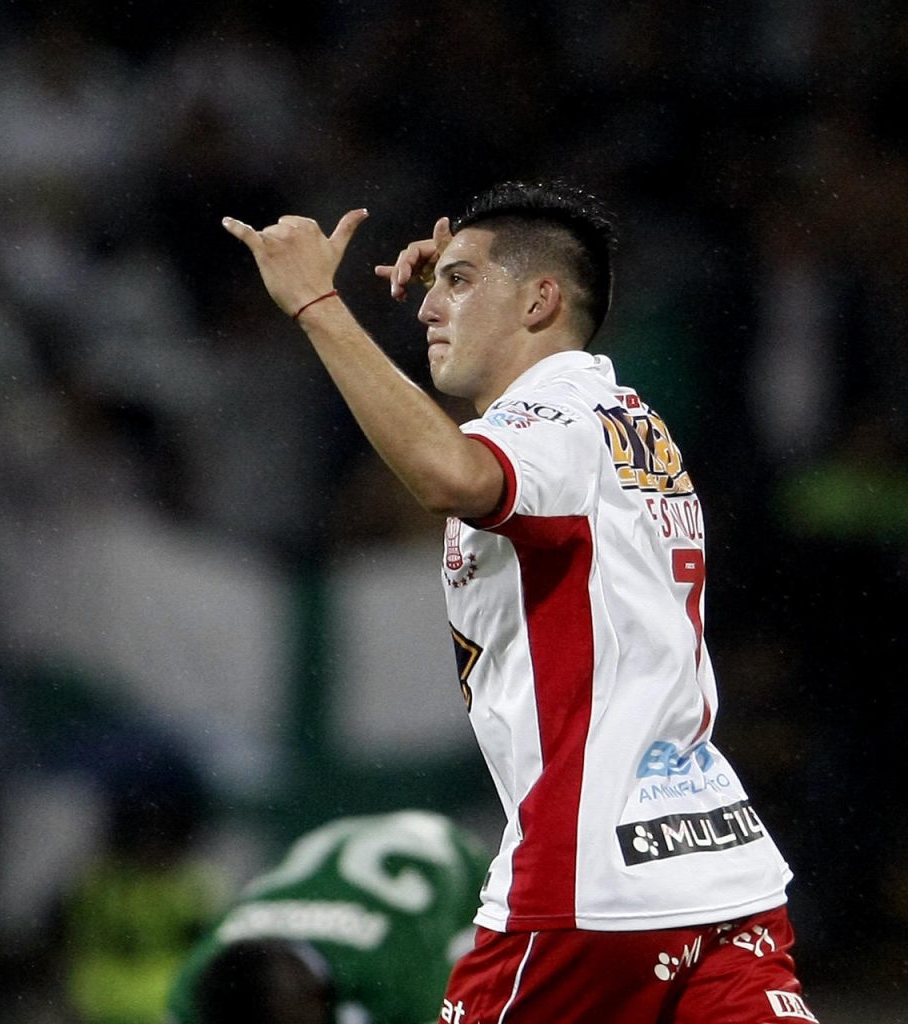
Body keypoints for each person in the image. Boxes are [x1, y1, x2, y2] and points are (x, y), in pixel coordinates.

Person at [221, 183, 813, 1022]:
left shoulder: (552, 419)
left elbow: (447, 476)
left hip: (587, 885)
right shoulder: (623, 415)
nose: (431, 307)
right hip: (714, 870)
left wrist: (319, 306)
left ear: (541, 300)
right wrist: (463, 288)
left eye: (458, 283)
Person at [167, 811, 489, 1024]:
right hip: (337, 856)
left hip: (458, 873)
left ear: (310, 997)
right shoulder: (198, 983)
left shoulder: (397, 971)